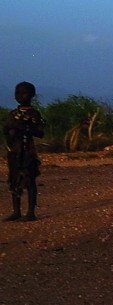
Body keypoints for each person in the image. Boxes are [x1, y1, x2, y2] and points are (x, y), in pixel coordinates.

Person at [6, 82, 44, 222]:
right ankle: (16, 211)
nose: (20, 96)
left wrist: (23, 127)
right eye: (18, 93)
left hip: (28, 151)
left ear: (32, 95)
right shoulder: (13, 114)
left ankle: (30, 212)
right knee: (14, 180)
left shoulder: (34, 114)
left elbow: (40, 133)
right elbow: (6, 131)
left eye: (24, 93)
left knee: (29, 181)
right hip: (14, 152)